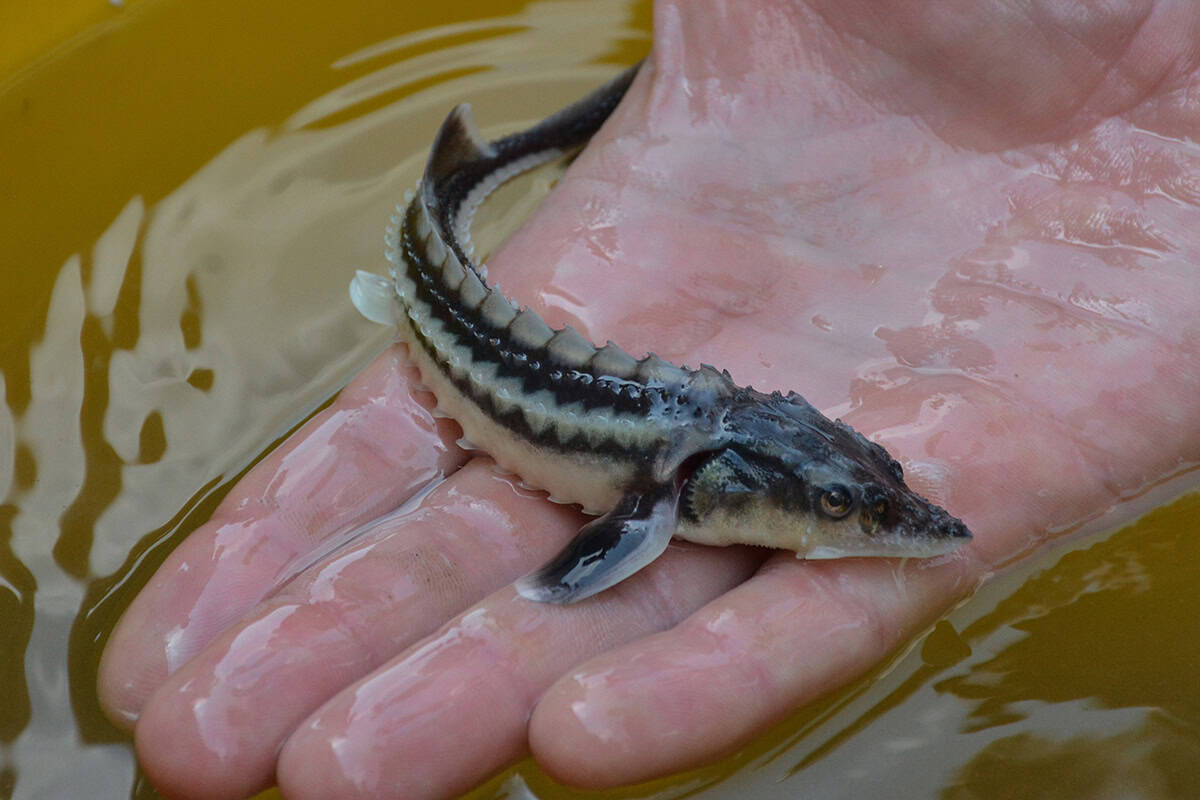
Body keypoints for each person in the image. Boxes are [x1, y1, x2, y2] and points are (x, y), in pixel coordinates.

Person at [98, 1, 1200, 797]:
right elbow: (573, 573)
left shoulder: (713, 466)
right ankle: (463, 179)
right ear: (707, 492)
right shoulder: (661, 494)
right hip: (453, 307)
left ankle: (488, 164)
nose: (894, 526)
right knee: (441, 263)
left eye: (866, 497)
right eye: (841, 507)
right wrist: (554, 589)